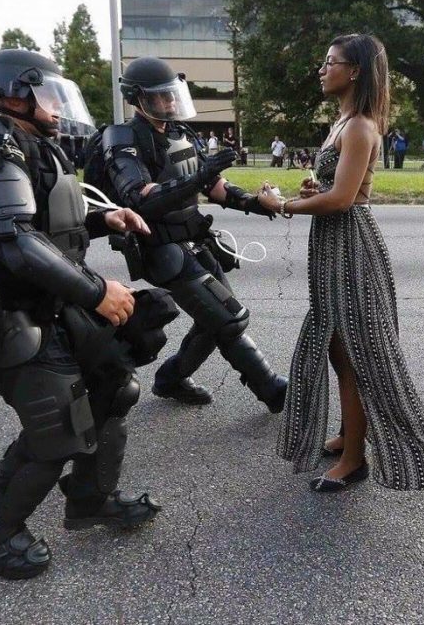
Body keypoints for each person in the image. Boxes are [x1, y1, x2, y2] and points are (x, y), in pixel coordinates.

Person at [0, 49, 166, 579]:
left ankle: (89, 497)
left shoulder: (21, 140)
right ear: (14, 94)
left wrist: (105, 219)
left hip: (45, 299)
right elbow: (13, 240)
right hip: (1, 309)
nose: (57, 107)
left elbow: (45, 221)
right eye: (47, 95)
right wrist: (98, 292)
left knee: (112, 387)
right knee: (57, 427)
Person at [258, 34, 424, 493]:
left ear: (355, 71)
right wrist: (313, 191)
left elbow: (344, 199)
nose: (322, 70)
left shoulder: (361, 126)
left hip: (351, 248)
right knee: (336, 346)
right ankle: (350, 434)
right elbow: (333, 190)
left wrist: (282, 204)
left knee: (355, 353)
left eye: (331, 63)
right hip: (333, 245)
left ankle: (354, 459)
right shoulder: (342, 123)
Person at [101, 56, 287, 412]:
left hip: (195, 241)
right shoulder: (123, 137)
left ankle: (171, 379)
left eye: (173, 95)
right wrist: (199, 178)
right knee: (229, 318)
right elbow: (139, 198)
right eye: (161, 96)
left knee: (213, 320)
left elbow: (214, 185)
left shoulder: (180, 133)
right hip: (161, 248)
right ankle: (273, 390)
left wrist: (254, 203)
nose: (170, 102)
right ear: (137, 98)